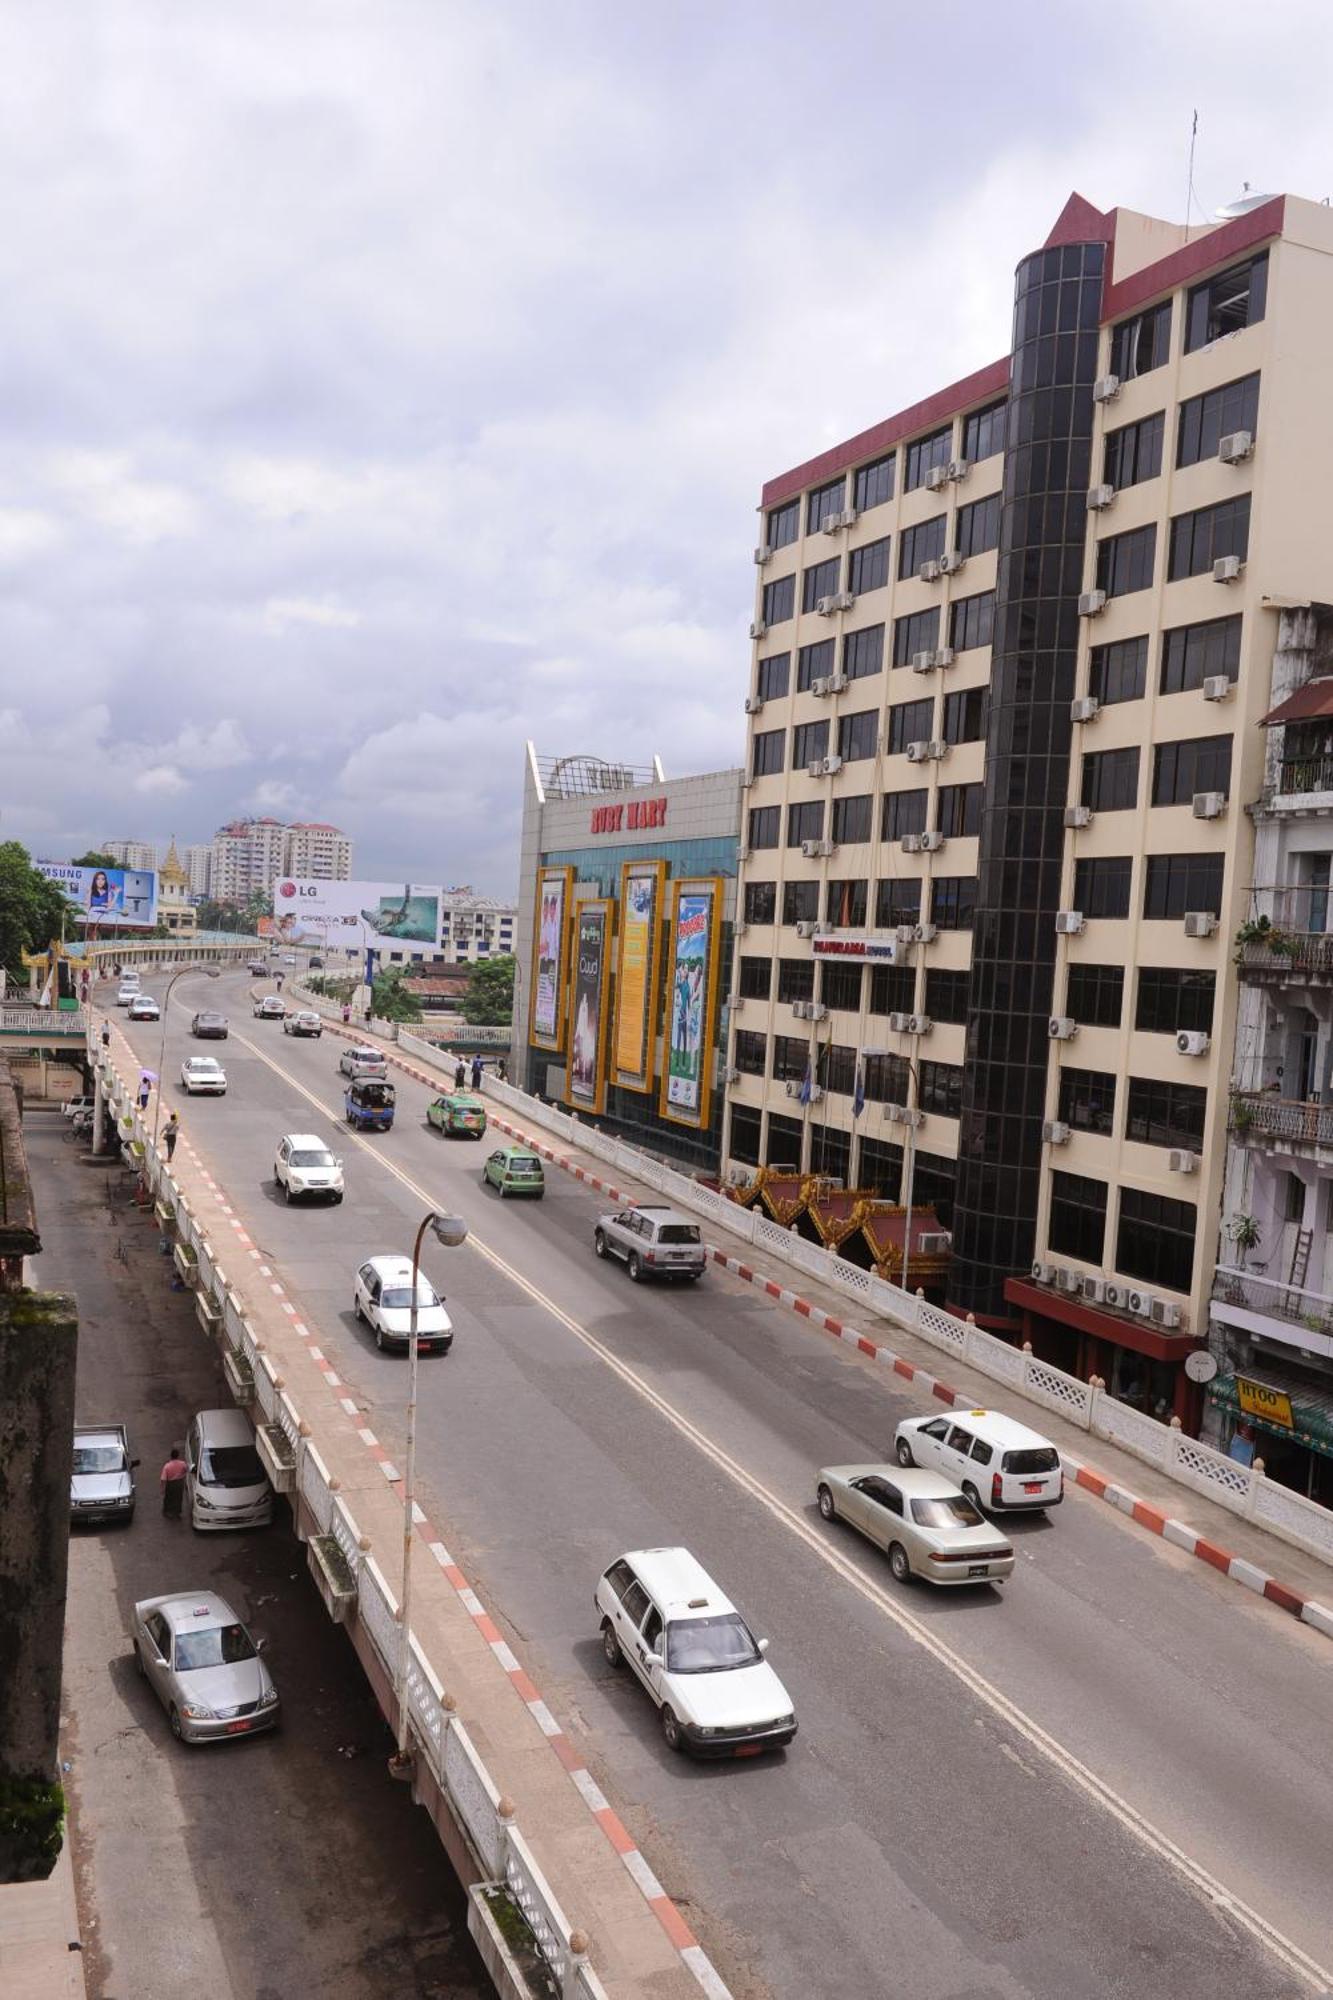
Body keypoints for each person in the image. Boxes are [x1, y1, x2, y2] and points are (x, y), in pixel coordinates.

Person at [160, 1444, 188, 1518]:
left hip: (170, 1484)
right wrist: (183, 1475)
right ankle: (177, 1512)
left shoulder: (167, 1466)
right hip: (179, 1483)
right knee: (178, 1497)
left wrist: (162, 1488)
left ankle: (168, 1511)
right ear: (178, 1455)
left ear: (171, 1456)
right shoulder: (182, 1463)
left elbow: (163, 1479)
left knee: (169, 1497)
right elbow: (186, 1469)